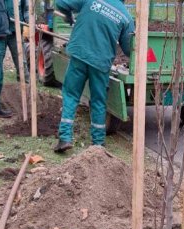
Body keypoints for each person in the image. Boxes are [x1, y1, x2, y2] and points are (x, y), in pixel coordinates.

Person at [53, 0, 134, 153]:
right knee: (98, 101)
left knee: (71, 94)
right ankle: (98, 144)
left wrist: (68, 17)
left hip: (79, 54)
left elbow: (61, 3)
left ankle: (65, 138)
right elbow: (129, 48)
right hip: (101, 62)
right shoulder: (126, 16)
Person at [5, 0, 29, 82]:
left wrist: (29, 21)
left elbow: (26, 9)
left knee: (21, 61)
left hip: (15, 31)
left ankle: (25, 86)